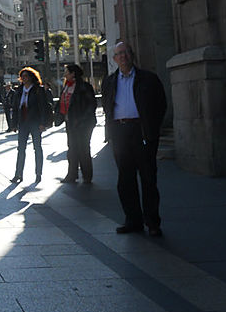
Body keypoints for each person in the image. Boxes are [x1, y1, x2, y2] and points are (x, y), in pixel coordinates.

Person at [101, 41, 167, 236]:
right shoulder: (110, 81)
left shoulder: (148, 79)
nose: (123, 56)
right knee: (125, 179)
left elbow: (160, 105)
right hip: (120, 132)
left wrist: (152, 128)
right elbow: (107, 105)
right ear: (114, 59)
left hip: (142, 131)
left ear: (132, 55)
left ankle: (152, 222)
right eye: (119, 54)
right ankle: (133, 220)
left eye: (126, 52)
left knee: (148, 178)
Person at [9, 67, 53, 185]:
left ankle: (38, 174)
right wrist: (13, 124)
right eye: (22, 76)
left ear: (32, 77)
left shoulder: (39, 90)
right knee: (20, 149)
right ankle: (18, 174)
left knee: (37, 148)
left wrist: (43, 123)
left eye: (26, 76)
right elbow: (15, 107)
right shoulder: (19, 90)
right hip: (23, 122)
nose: (24, 78)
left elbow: (43, 107)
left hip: (35, 122)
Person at [56, 64, 97, 184]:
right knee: (72, 148)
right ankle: (72, 174)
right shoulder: (66, 87)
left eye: (66, 72)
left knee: (83, 148)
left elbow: (91, 105)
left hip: (83, 124)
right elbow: (61, 103)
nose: (65, 74)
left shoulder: (84, 87)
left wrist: (82, 120)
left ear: (73, 73)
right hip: (70, 122)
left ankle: (87, 175)